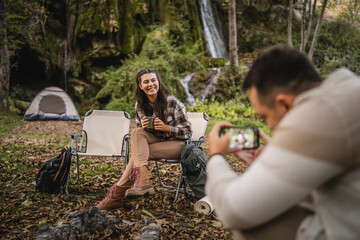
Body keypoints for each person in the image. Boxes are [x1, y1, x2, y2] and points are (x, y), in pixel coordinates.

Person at [205, 46, 360, 240]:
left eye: (264, 116)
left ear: (284, 103)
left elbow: (232, 211)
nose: (268, 124)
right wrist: (280, 158)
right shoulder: (343, 91)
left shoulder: (322, 114)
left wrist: (216, 157)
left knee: (251, 226)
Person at [96, 68, 192, 211]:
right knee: (137, 132)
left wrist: (166, 128)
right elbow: (140, 138)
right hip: (156, 144)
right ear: (140, 86)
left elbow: (188, 132)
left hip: (178, 146)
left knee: (137, 153)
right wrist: (146, 127)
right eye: (146, 82)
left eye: (153, 80)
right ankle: (143, 181)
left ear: (158, 82)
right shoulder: (140, 105)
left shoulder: (172, 102)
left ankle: (116, 195)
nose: (151, 84)